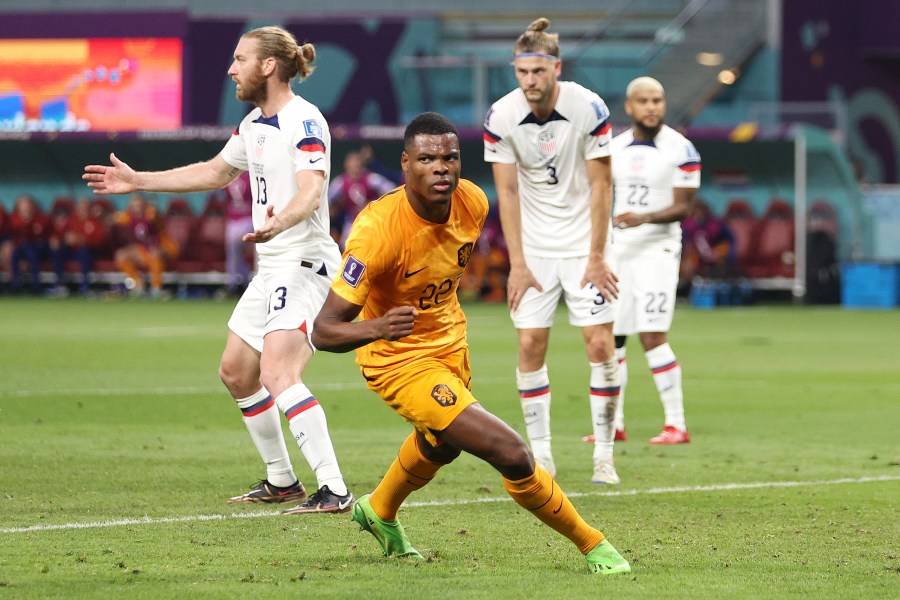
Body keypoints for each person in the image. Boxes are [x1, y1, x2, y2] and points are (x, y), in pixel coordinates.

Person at [312, 111, 630, 575]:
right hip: (398, 360)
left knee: (441, 445)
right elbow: (324, 331)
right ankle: (595, 545)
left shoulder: (473, 203)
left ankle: (377, 511)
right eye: (427, 159)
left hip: (451, 346)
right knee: (512, 452)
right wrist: (377, 327)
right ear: (405, 164)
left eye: (450, 157)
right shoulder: (376, 231)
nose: (441, 167)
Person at [84, 25, 352, 513]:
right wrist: (139, 180)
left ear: (268, 65)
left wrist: (281, 221)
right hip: (272, 265)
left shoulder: (305, 120)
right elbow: (214, 171)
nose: (231, 68)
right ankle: (282, 480)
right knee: (236, 372)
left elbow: (312, 189)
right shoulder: (252, 124)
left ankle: (333, 488)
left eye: (240, 59)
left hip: (303, 263)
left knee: (278, 372)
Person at [483, 18, 622, 484]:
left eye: (539, 72)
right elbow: (509, 194)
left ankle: (604, 454)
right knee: (529, 344)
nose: (530, 82)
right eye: (522, 73)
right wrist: (517, 264)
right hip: (536, 249)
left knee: (600, 344)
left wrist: (598, 255)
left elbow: (603, 185)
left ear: (556, 68)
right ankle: (542, 456)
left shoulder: (589, 107)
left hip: (586, 243)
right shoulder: (501, 117)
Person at [608, 76, 700, 445]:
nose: (651, 107)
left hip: (658, 251)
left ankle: (676, 424)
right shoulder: (613, 148)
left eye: (657, 100)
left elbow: (685, 207)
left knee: (651, 335)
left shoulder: (682, 150)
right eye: (643, 101)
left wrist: (641, 218)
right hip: (619, 251)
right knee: (612, 337)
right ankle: (613, 424)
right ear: (630, 107)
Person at [111, 193, 179, 298]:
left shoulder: (151, 214)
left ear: (145, 205)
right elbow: (114, 218)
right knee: (121, 255)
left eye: (140, 206)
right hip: (145, 249)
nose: (137, 209)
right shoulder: (129, 217)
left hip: (164, 247)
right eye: (134, 207)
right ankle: (138, 285)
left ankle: (156, 289)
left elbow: (154, 216)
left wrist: (153, 208)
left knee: (155, 253)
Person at [327, 150, 397, 248]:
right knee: (346, 243)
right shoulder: (340, 182)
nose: (355, 168)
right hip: (352, 220)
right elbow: (328, 199)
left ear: (362, 165)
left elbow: (392, 190)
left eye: (357, 164)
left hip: (373, 219)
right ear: (346, 165)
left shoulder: (371, 178)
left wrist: (378, 204)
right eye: (352, 164)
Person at [49, 197, 110, 296]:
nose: (84, 209)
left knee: (85, 252)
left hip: (89, 251)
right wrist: (57, 240)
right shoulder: (71, 220)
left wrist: (83, 240)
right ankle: (59, 285)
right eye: (81, 207)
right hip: (72, 250)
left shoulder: (95, 222)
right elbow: (59, 234)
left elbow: (101, 241)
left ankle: (85, 286)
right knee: (58, 252)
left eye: (86, 207)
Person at [6, 194, 51, 295]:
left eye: (27, 205)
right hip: (20, 248)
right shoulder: (14, 218)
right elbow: (13, 234)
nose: (25, 208)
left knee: (31, 252)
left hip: (37, 248)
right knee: (14, 255)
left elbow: (42, 235)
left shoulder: (41, 218)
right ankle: (15, 284)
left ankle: (36, 285)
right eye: (23, 205)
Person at [222, 171, 255, 294]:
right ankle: (234, 284)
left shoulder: (251, 177)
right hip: (233, 219)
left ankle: (238, 283)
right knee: (233, 252)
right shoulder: (229, 178)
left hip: (247, 218)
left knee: (236, 248)